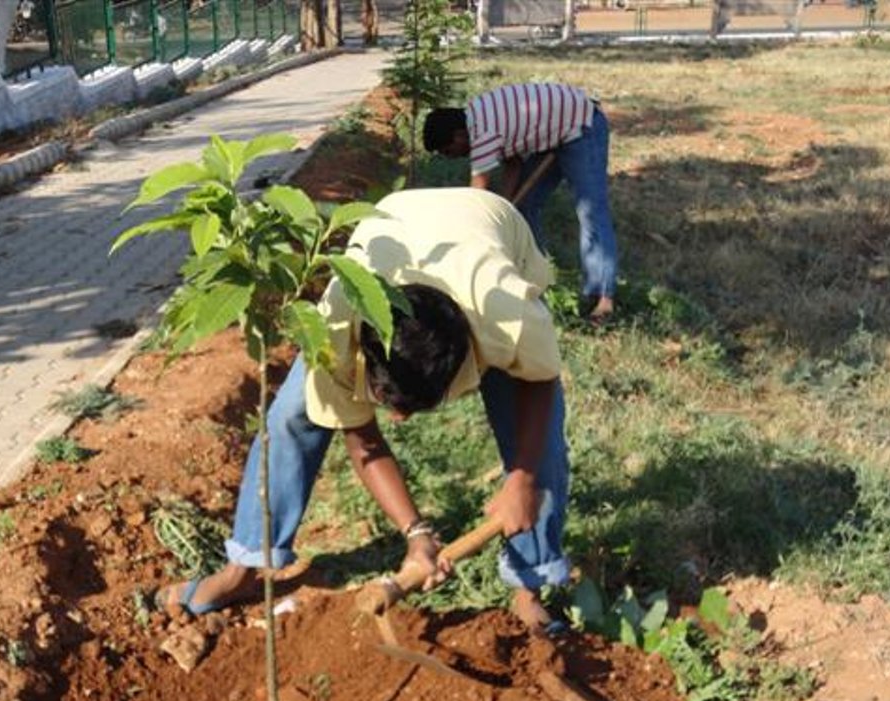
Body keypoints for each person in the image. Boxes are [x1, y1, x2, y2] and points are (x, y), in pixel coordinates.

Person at [155, 187, 572, 633]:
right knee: (289, 418)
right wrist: (415, 533)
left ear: (469, 357)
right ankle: (245, 569)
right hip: (395, 229)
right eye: (389, 403)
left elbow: (540, 379)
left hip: (491, 223)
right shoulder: (337, 326)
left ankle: (531, 584)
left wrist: (522, 479)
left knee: (537, 444)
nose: (397, 420)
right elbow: (363, 438)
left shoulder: (507, 311)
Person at [423, 83, 618, 323]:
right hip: (553, 132)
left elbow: (477, 199)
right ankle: (536, 278)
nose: (452, 157)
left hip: (582, 125)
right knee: (524, 207)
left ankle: (603, 298)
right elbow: (513, 164)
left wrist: (466, 245)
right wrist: (507, 208)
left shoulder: (483, 134)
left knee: (590, 212)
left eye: (448, 150)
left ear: (459, 135)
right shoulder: (479, 116)